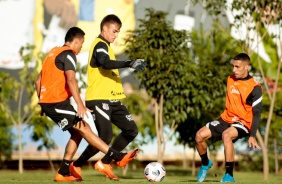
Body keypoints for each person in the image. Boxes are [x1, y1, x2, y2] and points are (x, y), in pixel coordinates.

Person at [35, 26, 139, 182]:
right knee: (85, 129)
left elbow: (38, 80)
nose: (81, 46)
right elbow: (71, 80)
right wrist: (80, 105)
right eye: (81, 43)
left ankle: (63, 172)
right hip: (56, 102)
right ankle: (116, 156)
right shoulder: (68, 55)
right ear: (75, 41)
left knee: (77, 133)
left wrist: (41, 101)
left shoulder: (52, 53)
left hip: (51, 102)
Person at [69, 14, 146, 181]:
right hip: (99, 99)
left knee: (131, 130)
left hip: (113, 100)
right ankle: (76, 165)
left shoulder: (107, 46)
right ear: (104, 29)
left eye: (118, 32)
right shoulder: (100, 45)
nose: (116, 35)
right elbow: (105, 62)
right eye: (114, 31)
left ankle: (104, 162)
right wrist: (129, 63)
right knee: (105, 137)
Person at [195, 53, 262, 182]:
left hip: (244, 122)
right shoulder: (230, 78)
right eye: (233, 66)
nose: (233, 70)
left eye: (237, 67)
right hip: (226, 118)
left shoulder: (255, 88)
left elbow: (257, 113)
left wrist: (252, 135)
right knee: (199, 136)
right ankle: (205, 163)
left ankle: (229, 175)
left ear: (247, 67)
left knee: (227, 135)